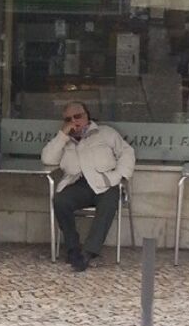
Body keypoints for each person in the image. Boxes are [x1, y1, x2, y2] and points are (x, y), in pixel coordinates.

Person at [41, 101, 135, 272]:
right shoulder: (63, 139)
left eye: (78, 116)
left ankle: (89, 252)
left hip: (106, 182)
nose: (74, 121)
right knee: (61, 201)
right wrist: (63, 135)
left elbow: (127, 152)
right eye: (68, 119)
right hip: (78, 183)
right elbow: (47, 159)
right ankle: (73, 248)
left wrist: (120, 175)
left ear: (87, 116)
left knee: (108, 204)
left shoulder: (106, 133)